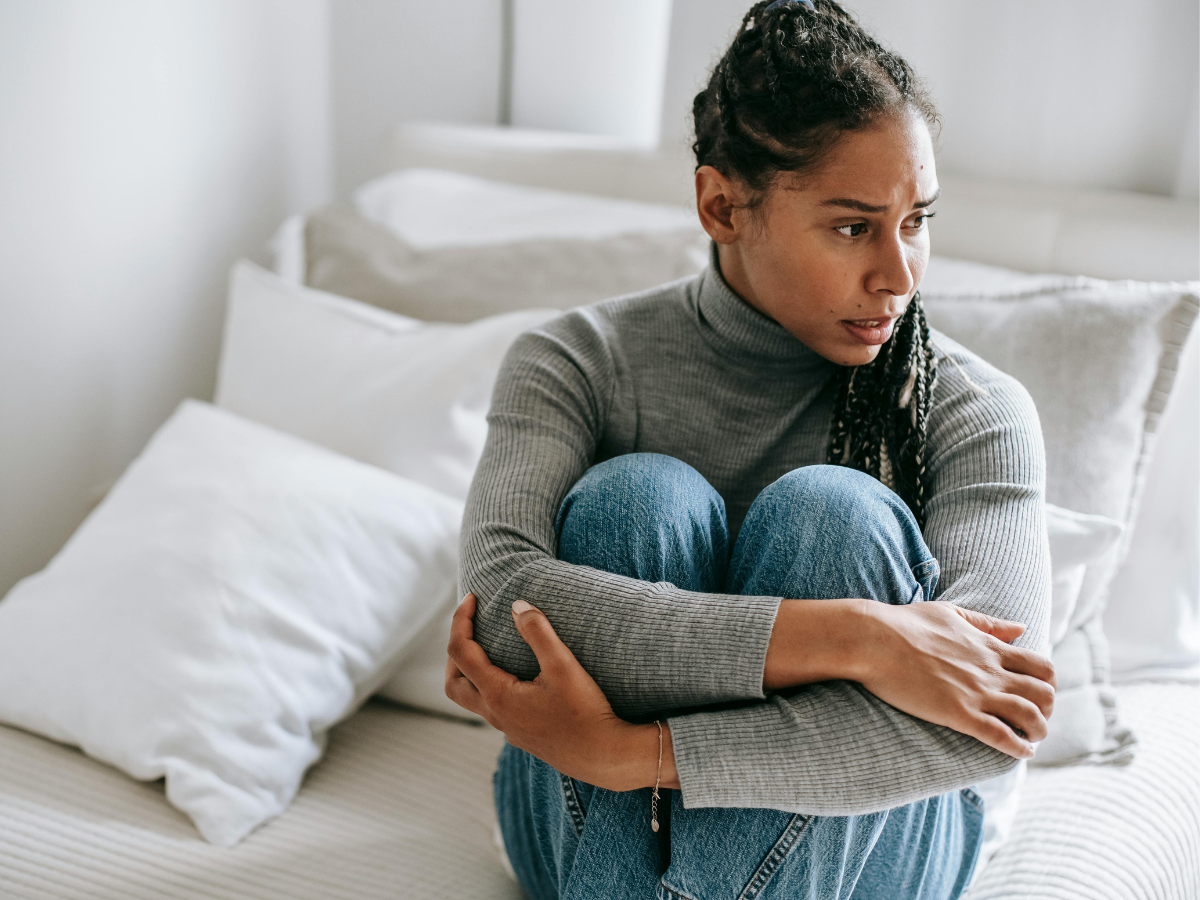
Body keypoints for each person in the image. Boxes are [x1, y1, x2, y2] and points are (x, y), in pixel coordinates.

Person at [445, 1, 1056, 897]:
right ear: (722, 204)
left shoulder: (974, 410)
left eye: (916, 220)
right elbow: (501, 606)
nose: (899, 273)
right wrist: (861, 638)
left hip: (886, 833)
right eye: (854, 227)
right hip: (562, 812)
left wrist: (638, 755)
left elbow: (988, 719)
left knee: (833, 513)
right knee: (635, 501)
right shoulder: (575, 363)